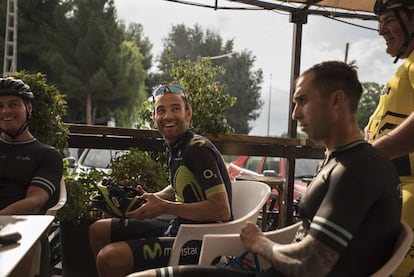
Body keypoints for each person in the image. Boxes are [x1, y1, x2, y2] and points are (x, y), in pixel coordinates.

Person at [130, 61, 402, 277]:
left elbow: (310, 265)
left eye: (303, 101)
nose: (295, 114)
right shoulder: (345, 161)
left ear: (336, 101)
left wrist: (259, 242)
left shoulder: (356, 169)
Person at [88, 84, 233, 277]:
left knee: (110, 258)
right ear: (154, 117)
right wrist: (147, 200)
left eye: (175, 108)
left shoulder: (197, 149)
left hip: (200, 239)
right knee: (98, 230)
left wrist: (164, 207)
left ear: (188, 113)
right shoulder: (177, 146)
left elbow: (221, 210)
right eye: (161, 110)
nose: (168, 116)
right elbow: (178, 187)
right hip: (179, 226)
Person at [366, 1, 414, 275]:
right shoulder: (406, 67)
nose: (380, 30)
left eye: (387, 20)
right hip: (395, 189)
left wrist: (366, 158)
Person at [0, 77, 63, 276]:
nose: (5, 111)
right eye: (0, 106)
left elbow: (35, 201)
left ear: (29, 108)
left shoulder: (47, 155)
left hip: (23, 231)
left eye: (13, 105)